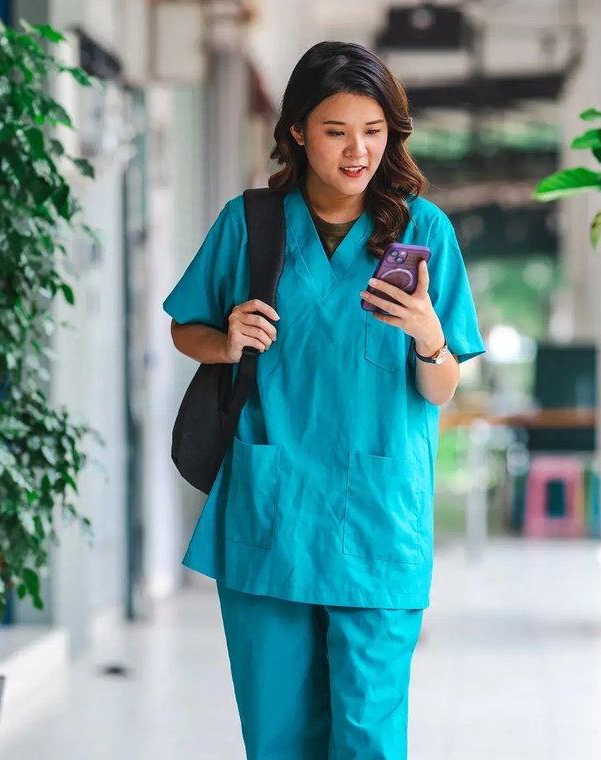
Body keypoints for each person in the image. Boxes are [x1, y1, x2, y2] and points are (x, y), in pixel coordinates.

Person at [163, 40, 485, 759]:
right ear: (299, 131)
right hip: (271, 513)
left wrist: (429, 335)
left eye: (373, 133)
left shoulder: (422, 231)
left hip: (377, 521)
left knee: (369, 738)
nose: (356, 152)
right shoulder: (251, 224)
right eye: (337, 131)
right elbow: (187, 327)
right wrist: (226, 340)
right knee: (278, 739)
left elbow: (441, 385)